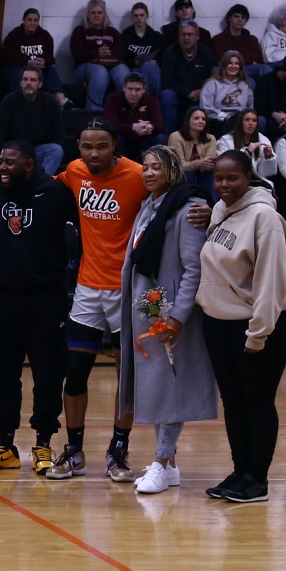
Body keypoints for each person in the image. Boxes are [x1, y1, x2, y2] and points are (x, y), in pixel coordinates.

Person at [195, 149, 286, 503]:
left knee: (257, 401)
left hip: (261, 323)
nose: (224, 185)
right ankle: (240, 472)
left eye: (232, 178)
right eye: (218, 178)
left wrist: (258, 334)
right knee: (233, 402)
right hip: (220, 322)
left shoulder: (265, 218)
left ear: (248, 178)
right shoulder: (220, 210)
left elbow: (272, 282)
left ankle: (258, 479)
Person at [0, 141, 78, 475]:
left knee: (48, 373)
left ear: (29, 165)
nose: (2, 167)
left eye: (10, 162)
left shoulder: (56, 194)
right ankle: (5, 445)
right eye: (0, 161)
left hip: (46, 298)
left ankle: (43, 443)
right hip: (2, 296)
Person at [115, 145, 213, 496]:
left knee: (172, 388)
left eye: (157, 167)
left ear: (173, 169)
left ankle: (160, 460)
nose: (149, 173)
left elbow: (193, 270)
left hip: (171, 314)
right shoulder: (149, 206)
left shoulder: (188, 209)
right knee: (157, 388)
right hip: (147, 308)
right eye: (145, 167)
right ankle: (168, 465)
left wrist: (178, 317)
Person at [50, 120, 145, 481]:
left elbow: (176, 194)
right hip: (88, 289)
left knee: (126, 378)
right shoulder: (75, 171)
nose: (93, 153)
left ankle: (118, 450)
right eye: (87, 146)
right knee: (75, 372)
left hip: (127, 290)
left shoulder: (137, 175)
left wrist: (201, 208)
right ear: (78, 146)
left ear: (115, 145)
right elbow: (41, 188)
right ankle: (74, 450)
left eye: (101, 146)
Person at [0, 65, 64, 176]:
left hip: (38, 150)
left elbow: (58, 131)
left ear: (40, 84)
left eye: (33, 80)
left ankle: (41, 180)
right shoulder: (9, 101)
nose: (28, 83)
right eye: (25, 79)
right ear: (21, 83)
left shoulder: (50, 102)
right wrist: (0, 159)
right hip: (15, 151)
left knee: (56, 150)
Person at [158, 19, 217, 133]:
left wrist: (202, 90)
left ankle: (206, 136)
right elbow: (167, 81)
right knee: (167, 95)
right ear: (179, 37)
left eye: (190, 34)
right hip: (179, 95)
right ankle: (168, 136)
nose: (186, 38)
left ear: (197, 36)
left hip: (201, 95)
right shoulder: (170, 53)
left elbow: (215, 77)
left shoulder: (206, 52)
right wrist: (188, 92)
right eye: (183, 34)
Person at [71, 0, 128, 111]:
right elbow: (77, 53)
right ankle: (94, 113)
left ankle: (123, 110)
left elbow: (123, 51)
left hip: (110, 64)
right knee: (100, 72)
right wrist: (97, 53)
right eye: (93, 13)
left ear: (104, 15)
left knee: (123, 71)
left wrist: (109, 54)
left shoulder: (112, 31)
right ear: (88, 15)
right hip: (85, 67)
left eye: (99, 13)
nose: (96, 15)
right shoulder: (80, 30)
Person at [0, 8, 61, 96]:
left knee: (51, 70)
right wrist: (28, 62)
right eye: (29, 20)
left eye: (35, 20)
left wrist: (44, 61)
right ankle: (21, 99)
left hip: (38, 68)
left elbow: (51, 58)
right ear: (23, 20)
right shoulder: (14, 35)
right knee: (16, 71)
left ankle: (60, 98)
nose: (32, 23)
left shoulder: (45, 35)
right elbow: (9, 58)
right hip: (20, 66)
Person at [103, 73, 164, 159]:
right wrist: (133, 127)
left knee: (160, 138)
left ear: (144, 90)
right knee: (116, 138)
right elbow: (110, 126)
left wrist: (150, 127)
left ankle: (153, 165)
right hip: (123, 140)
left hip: (143, 141)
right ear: (124, 88)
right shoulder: (113, 99)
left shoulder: (151, 101)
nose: (133, 93)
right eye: (130, 89)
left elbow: (160, 126)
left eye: (137, 89)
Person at [170, 106, 222, 197]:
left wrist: (202, 165)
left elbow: (208, 164)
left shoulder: (211, 138)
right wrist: (198, 163)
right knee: (189, 174)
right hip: (182, 175)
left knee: (212, 170)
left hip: (203, 175)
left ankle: (211, 203)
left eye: (203, 119)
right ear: (188, 121)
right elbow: (179, 166)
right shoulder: (175, 137)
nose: (201, 121)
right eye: (196, 118)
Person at [121, 1, 168, 95]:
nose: (139, 18)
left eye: (142, 15)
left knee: (149, 67)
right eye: (136, 16)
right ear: (132, 17)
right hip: (133, 69)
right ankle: (148, 101)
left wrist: (156, 62)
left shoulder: (156, 36)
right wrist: (135, 62)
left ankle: (151, 101)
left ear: (147, 16)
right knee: (146, 67)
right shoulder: (125, 36)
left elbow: (164, 56)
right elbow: (122, 58)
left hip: (152, 70)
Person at [200, 52, 253, 134]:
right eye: (230, 63)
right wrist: (225, 116)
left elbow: (250, 107)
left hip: (240, 119)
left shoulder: (245, 85)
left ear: (240, 67)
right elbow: (206, 107)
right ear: (224, 65)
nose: (233, 66)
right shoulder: (212, 83)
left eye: (236, 64)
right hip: (217, 119)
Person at [223, 109, 279, 181]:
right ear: (240, 122)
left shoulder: (263, 139)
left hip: (256, 181)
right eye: (247, 120)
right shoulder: (226, 140)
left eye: (254, 120)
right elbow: (224, 167)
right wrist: (247, 152)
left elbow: (266, 173)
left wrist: (268, 157)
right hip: (232, 180)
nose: (251, 123)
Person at [213, 4, 265, 79]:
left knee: (265, 69)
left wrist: (236, 57)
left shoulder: (252, 39)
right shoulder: (218, 39)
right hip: (230, 70)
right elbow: (223, 58)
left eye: (243, 17)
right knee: (251, 82)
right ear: (229, 18)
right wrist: (249, 61)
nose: (240, 20)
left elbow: (256, 57)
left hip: (249, 69)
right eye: (236, 16)